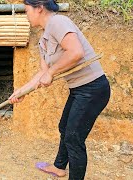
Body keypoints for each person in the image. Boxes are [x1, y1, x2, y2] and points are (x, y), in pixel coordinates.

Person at [8, 0, 111, 179]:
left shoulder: (58, 22)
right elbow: (43, 73)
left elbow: (76, 52)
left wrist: (53, 71)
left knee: (73, 138)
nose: (26, 15)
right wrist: (21, 91)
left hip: (93, 88)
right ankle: (59, 167)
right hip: (79, 90)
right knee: (65, 127)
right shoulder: (43, 39)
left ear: (39, 8)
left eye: (27, 11)